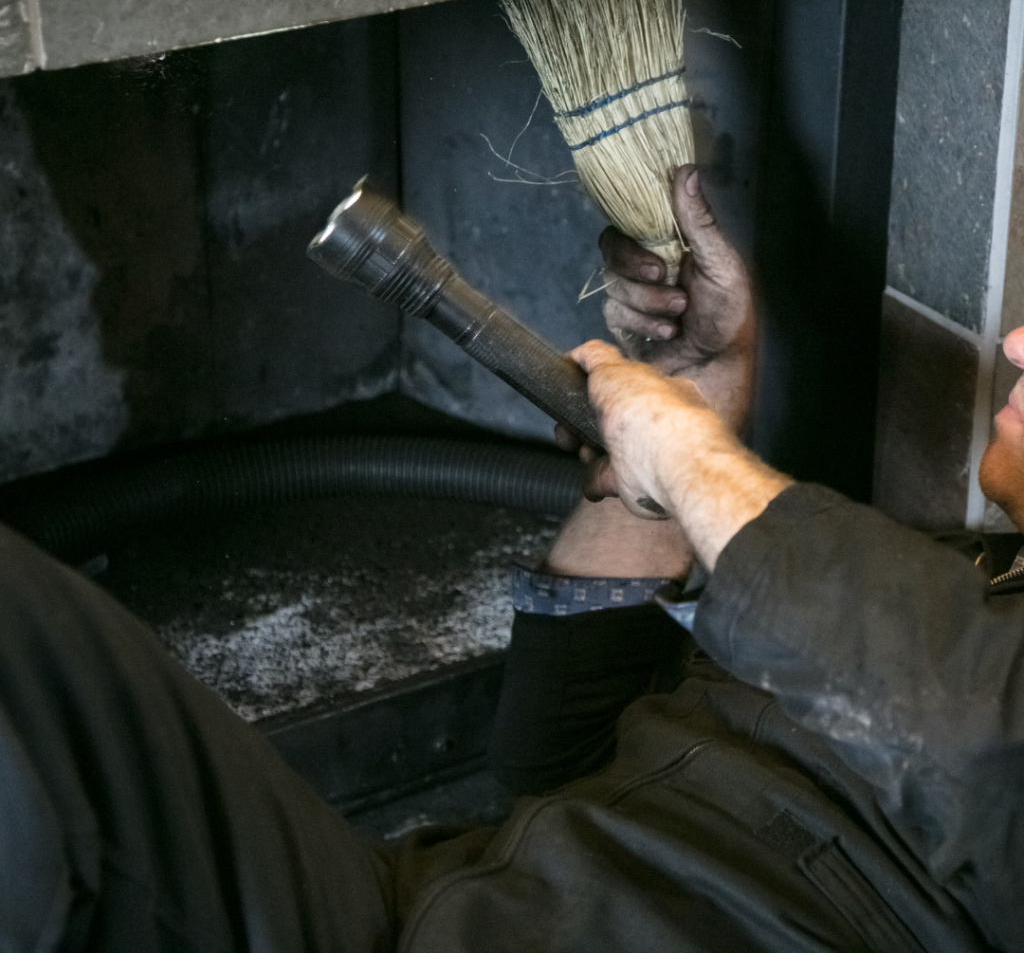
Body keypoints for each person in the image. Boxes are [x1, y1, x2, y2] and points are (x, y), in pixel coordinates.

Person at [1, 167, 1022, 953]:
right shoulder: (953, 575)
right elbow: (551, 758)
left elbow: (982, 756)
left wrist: (697, 460)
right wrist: (659, 468)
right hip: (416, 909)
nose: (1016, 341)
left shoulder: (952, 669)